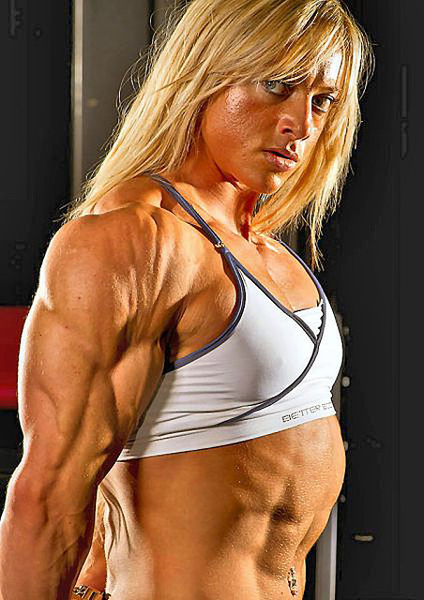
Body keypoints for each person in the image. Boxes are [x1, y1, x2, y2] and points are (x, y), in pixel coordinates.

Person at [0, 0, 374, 598]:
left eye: (322, 100)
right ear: (208, 71)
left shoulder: (266, 248)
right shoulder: (131, 240)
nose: (301, 124)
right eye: (276, 85)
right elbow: (47, 499)